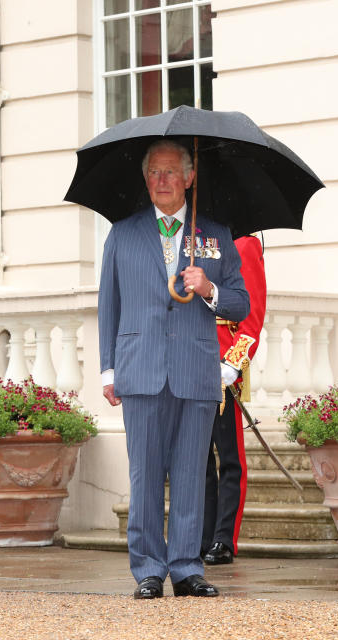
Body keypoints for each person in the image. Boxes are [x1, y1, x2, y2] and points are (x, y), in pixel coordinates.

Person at [98, 139, 249, 600]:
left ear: (189, 178)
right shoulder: (121, 234)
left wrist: (208, 289)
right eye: (154, 173)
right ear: (146, 180)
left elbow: (241, 304)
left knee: (189, 474)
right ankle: (146, 568)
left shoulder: (216, 236)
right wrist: (108, 370)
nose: (161, 181)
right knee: (144, 475)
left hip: (195, 370)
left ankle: (186, 567)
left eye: (170, 172)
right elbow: (109, 305)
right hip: (140, 369)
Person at [200, 233, 267, 565]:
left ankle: (224, 538)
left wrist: (232, 365)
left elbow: (252, 319)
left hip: (225, 361)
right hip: (192, 359)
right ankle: (201, 535)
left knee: (227, 456)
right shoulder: (193, 240)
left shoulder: (244, 243)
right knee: (196, 459)